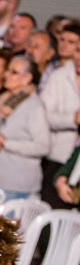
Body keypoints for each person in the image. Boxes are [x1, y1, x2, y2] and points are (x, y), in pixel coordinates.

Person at [0, 56, 51, 200]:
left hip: (19, 185)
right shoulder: (4, 99)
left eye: (14, 72)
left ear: (27, 78)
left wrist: (6, 143)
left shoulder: (34, 106)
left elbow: (43, 146)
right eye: (8, 70)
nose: (6, 75)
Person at [39, 24, 80, 208]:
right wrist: (72, 119)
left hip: (77, 163)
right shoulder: (59, 76)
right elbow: (44, 114)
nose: (78, 56)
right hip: (59, 155)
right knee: (51, 211)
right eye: (77, 51)